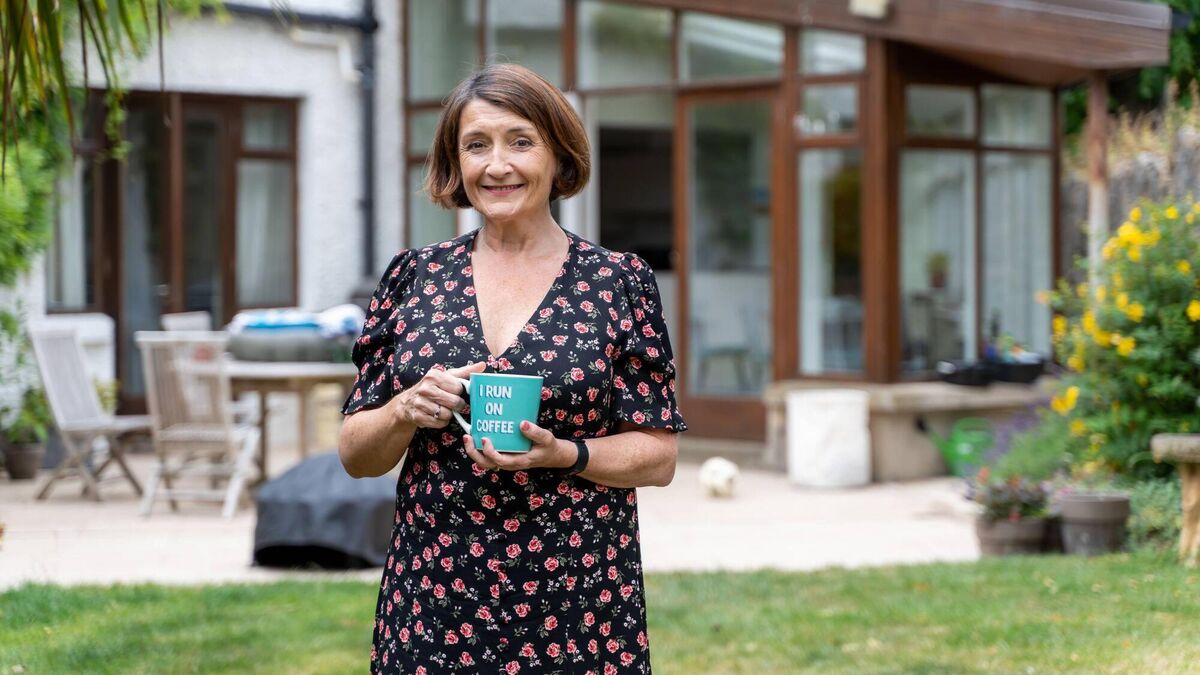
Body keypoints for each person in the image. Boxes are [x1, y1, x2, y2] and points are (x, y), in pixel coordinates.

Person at [338, 63, 687, 674]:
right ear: (456, 163)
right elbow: (356, 455)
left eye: (520, 142)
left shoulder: (617, 282)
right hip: (434, 597)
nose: (497, 165)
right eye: (476, 145)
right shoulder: (413, 277)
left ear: (559, 154)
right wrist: (403, 410)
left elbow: (658, 458)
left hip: (578, 598)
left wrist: (564, 453)